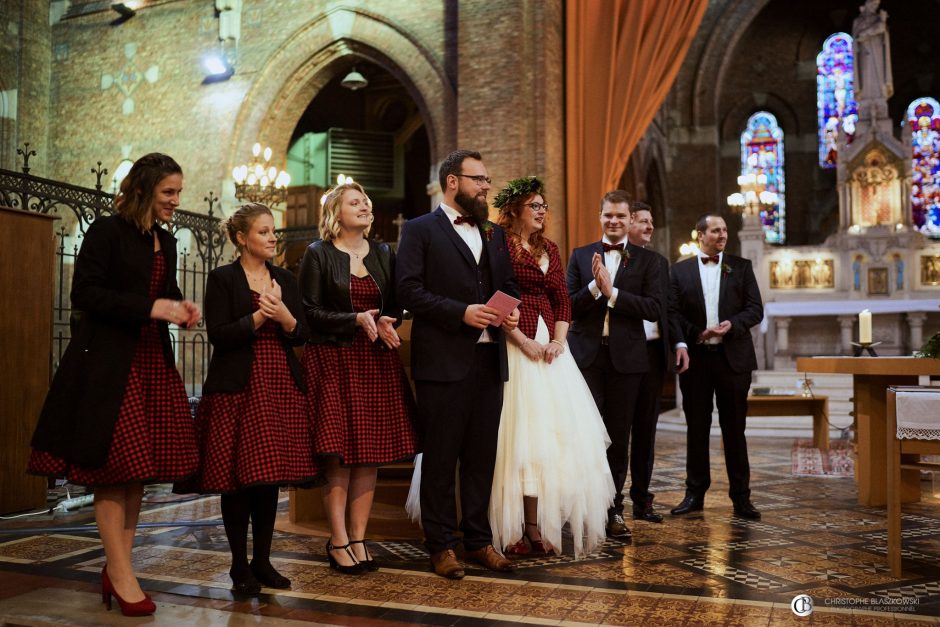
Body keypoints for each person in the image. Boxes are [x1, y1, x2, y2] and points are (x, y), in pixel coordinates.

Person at [28, 153, 201, 617]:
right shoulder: (107, 231)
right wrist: (153, 309)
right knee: (114, 468)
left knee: (137, 470)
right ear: (144, 189)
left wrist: (181, 308)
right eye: (169, 193)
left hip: (151, 361)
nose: (175, 201)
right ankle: (122, 574)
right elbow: (84, 293)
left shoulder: (165, 240)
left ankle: (117, 566)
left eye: (179, 193)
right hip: (108, 362)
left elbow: (164, 294)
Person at [181, 203, 320, 594]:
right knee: (237, 480)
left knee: (268, 479)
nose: (273, 237)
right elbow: (219, 336)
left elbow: (301, 333)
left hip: (278, 383)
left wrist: (284, 317)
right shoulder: (223, 278)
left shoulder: (285, 280)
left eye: (273, 230)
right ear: (242, 238)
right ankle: (239, 566)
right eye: (263, 231)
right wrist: (261, 316)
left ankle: (263, 562)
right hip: (237, 385)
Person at [396, 149, 520, 579]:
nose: (487, 186)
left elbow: (507, 284)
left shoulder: (493, 233)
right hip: (443, 360)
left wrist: (512, 310)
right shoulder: (419, 230)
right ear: (453, 181)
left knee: (482, 457)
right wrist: (460, 312)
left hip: (490, 359)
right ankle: (441, 546)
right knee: (441, 457)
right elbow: (408, 291)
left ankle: (478, 541)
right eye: (479, 179)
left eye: (487, 179)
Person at [489, 176, 614, 559]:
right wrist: (524, 341)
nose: (543, 211)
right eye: (535, 205)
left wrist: (558, 341)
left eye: (545, 205)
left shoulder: (551, 249)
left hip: (549, 345)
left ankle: (535, 525)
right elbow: (494, 295)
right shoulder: (498, 244)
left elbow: (562, 298)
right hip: (512, 341)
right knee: (514, 440)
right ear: (514, 211)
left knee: (547, 440)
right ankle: (507, 527)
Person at [299, 182, 418, 575]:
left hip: (374, 360)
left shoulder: (384, 252)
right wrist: (355, 319)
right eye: (355, 202)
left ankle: (359, 538)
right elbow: (310, 312)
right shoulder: (318, 254)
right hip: (334, 358)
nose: (365, 205)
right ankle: (337, 540)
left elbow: (398, 302)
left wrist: (388, 319)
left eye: (366, 200)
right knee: (339, 454)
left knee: (370, 453)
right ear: (336, 211)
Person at [566, 190, 662, 542]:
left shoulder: (649, 262)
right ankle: (583, 507)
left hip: (627, 360)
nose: (614, 221)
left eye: (621, 216)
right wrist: (595, 287)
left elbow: (653, 308)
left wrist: (615, 295)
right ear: (600, 216)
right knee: (587, 436)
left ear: (629, 218)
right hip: (586, 358)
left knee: (618, 438)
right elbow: (567, 307)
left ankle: (613, 509)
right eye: (609, 215)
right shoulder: (580, 256)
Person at [668, 213, 764, 520]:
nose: (722, 234)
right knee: (697, 428)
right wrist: (697, 332)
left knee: (735, 429)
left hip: (732, 358)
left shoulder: (741, 267)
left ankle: (741, 498)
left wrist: (731, 325)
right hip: (696, 359)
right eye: (715, 230)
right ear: (700, 235)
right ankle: (694, 494)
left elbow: (755, 310)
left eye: (724, 230)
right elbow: (671, 313)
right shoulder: (679, 271)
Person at [624, 201, 671, 523]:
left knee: (645, 431)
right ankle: (609, 500)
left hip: (652, 353)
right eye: (643, 221)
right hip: (621, 354)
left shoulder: (657, 262)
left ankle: (642, 499)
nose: (650, 226)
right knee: (615, 431)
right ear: (626, 223)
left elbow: (667, 308)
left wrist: (678, 342)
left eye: (651, 220)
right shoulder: (614, 261)